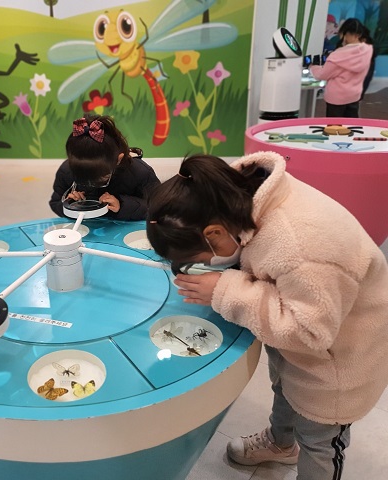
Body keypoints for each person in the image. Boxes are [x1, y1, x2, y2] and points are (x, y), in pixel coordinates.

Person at [146, 151, 388, 480]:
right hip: (305, 346)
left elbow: (310, 333)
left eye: (200, 258)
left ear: (214, 233)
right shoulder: (234, 197)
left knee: (319, 440)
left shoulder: (302, 248)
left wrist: (225, 290)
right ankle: (280, 444)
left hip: (338, 361)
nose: (203, 265)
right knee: (285, 391)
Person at [49, 114, 160, 221]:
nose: (91, 183)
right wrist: (69, 205)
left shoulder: (140, 172)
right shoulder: (67, 170)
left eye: (101, 178)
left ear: (119, 159)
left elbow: (159, 207)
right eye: (82, 178)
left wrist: (122, 205)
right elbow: (55, 202)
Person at [310, 18, 373, 117]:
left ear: (345, 34)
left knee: (334, 125)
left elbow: (322, 75)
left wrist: (313, 67)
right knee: (350, 124)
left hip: (336, 98)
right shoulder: (367, 50)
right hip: (354, 96)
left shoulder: (338, 56)